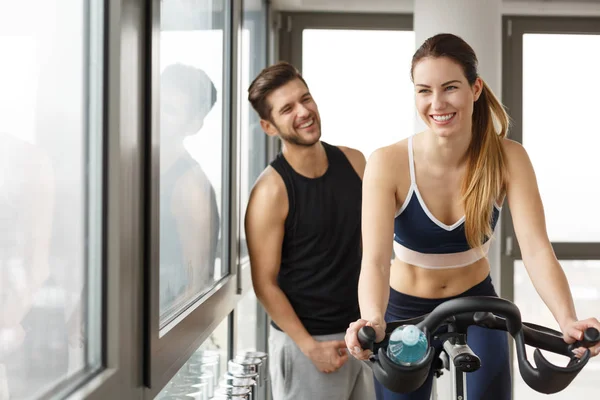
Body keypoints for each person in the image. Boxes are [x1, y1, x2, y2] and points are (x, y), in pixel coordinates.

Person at [344, 33, 600, 400]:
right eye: (424, 91)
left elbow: (537, 249)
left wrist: (567, 320)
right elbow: (375, 261)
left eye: (450, 87)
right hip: (406, 310)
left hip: (479, 304)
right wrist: (372, 318)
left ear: (475, 88)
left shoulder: (509, 158)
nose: (437, 103)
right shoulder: (388, 162)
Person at [244, 61, 375, 400]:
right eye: (287, 108)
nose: (303, 111)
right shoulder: (270, 192)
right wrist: (309, 346)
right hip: (308, 344)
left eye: (306, 98)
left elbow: (371, 249)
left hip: (362, 334)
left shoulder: (355, 162)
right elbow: (264, 283)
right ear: (268, 126)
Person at [159, 63, 220, 316]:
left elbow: (197, 288)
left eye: (170, 110)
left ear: (193, 125)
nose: (156, 114)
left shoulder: (191, 186)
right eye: (156, 102)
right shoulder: (136, 171)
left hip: (158, 337)